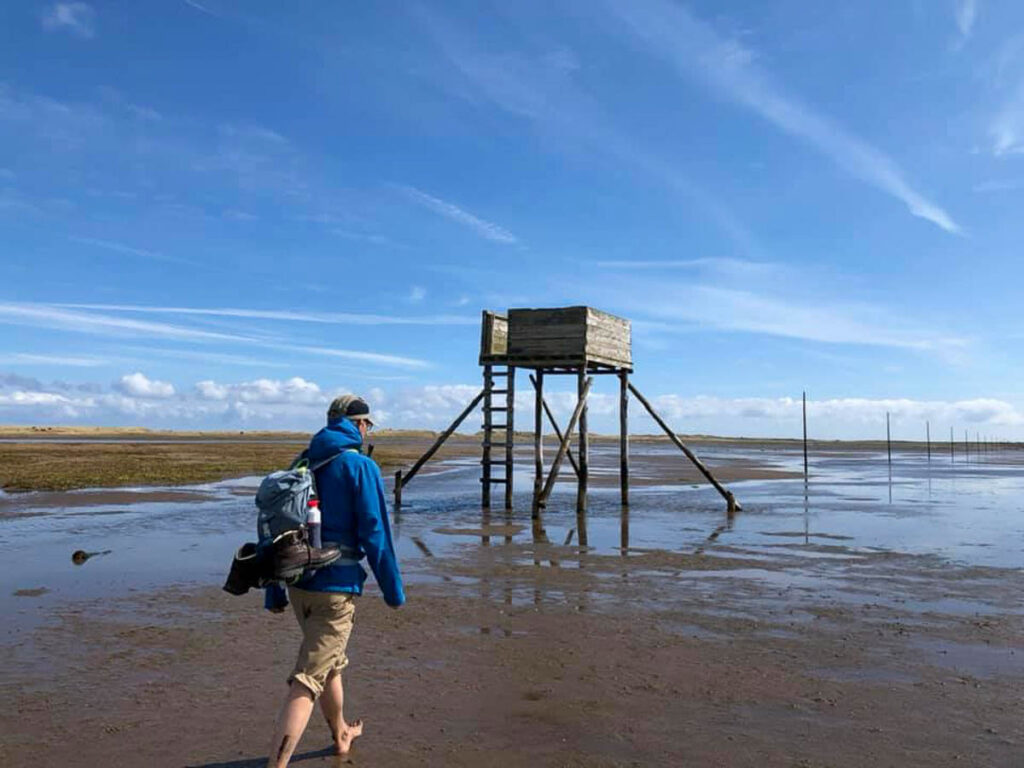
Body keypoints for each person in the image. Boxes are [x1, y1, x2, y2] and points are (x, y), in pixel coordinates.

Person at [265, 394, 405, 768]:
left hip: (297, 584)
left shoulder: (302, 462)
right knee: (309, 678)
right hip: (335, 588)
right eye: (367, 424)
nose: (367, 430)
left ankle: (341, 732)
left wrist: (272, 591)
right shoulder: (360, 466)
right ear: (359, 425)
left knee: (330, 664)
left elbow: (274, 530)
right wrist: (393, 591)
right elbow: (376, 534)